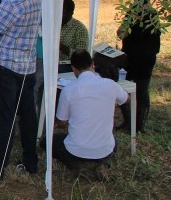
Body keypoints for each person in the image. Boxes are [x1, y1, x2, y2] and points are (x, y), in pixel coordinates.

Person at [0, 0, 42, 175]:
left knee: (6, 119)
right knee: (28, 116)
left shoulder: (12, 1)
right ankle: (30, 162)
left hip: (8, 66)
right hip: (28, 66)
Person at [46, 50, 128, 179]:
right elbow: (125, 99)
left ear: (74, 69)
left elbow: (62, 122)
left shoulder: (69, 90)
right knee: (114, 142)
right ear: (92, 64)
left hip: (75, 149)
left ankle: (76, 164)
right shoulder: (110, 85)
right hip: (104, 148)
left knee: (47, 141)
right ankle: (102, 163)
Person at [118, 0, 161, 132]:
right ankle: (136, 125)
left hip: (134, 59)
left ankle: (133, 124)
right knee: (141, 91)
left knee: (129, 90)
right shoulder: (152, 14)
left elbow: (121, 33)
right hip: (145, 59)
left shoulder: (134, 12)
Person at [59, 0, 89, 65]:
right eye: (58, 12)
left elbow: (81, 55)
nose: (60, 16)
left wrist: (58, 45)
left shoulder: (80, 29)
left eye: (63, 13)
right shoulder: (53, 25)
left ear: (71, 13)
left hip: (69, 66)